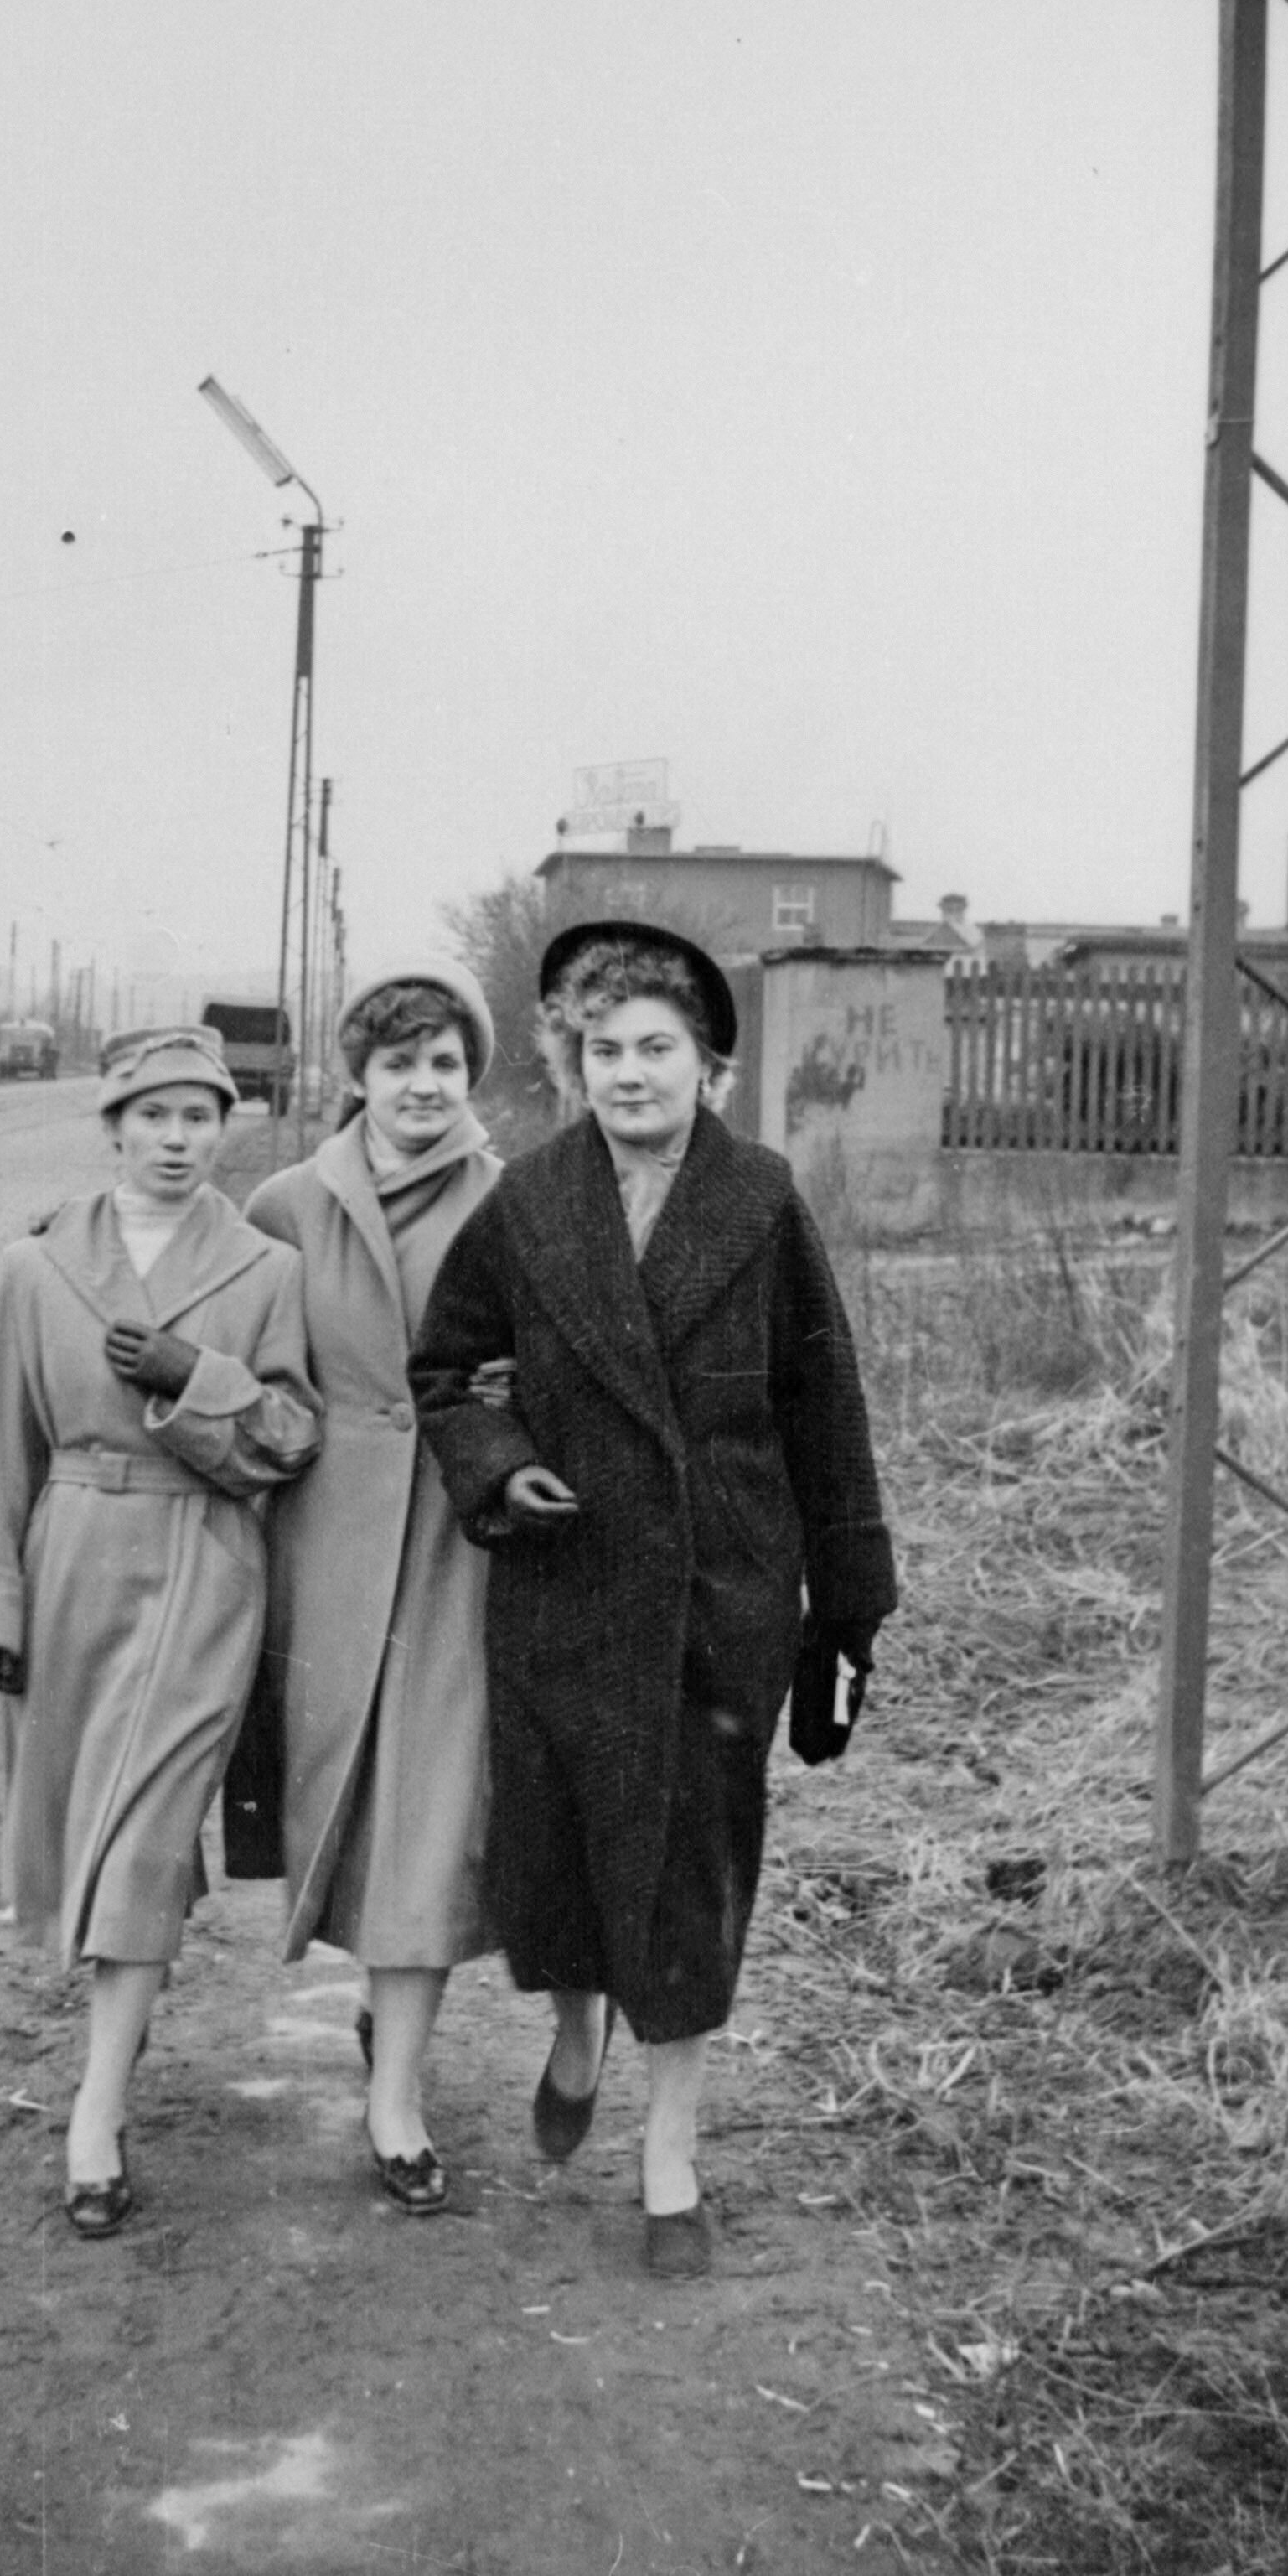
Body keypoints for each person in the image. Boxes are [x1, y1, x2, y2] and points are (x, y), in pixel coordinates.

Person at [410, 920, 896, 2277]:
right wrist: (499, 1467)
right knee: (565, 1862)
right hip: (564, 1588)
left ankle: (670, 2155)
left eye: (657, 1049)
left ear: (708, 1066)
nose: (629, 1074)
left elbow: (827, 1409)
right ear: (575, 1068)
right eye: (605, 1051)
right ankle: (577, 2029)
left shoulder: (762, 1201)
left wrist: (847, 1614)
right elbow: (446, 1369)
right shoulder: (530, 1204)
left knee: (690, 1882)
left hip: (716, 1597)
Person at [0, 1027, 320, 2238]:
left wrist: (195, 1377)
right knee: (78, 1836)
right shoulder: (36, 1266)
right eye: (151, 1115)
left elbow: (289, 1438)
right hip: (71, 1565)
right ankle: (123, 2021)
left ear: (225, 1129)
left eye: (198, 1117)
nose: (175, 1139)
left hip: (204, 1567)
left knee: (148, 1833)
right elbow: (3, 1447)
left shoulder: (265, 1268)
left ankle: (96, 2111)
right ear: (111, 1127)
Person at [244, 958, 501, 2216]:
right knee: (337, 1797)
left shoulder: (516, 1200)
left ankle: (396, 2095)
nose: (423, 1086)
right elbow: (223, 1329)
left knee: (433, 1814)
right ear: (358, 1075)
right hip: (327, 1538)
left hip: (460, 1542)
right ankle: (374, 2005)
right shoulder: (288, 1204)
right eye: (399, 1063)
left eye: (446, 1063)